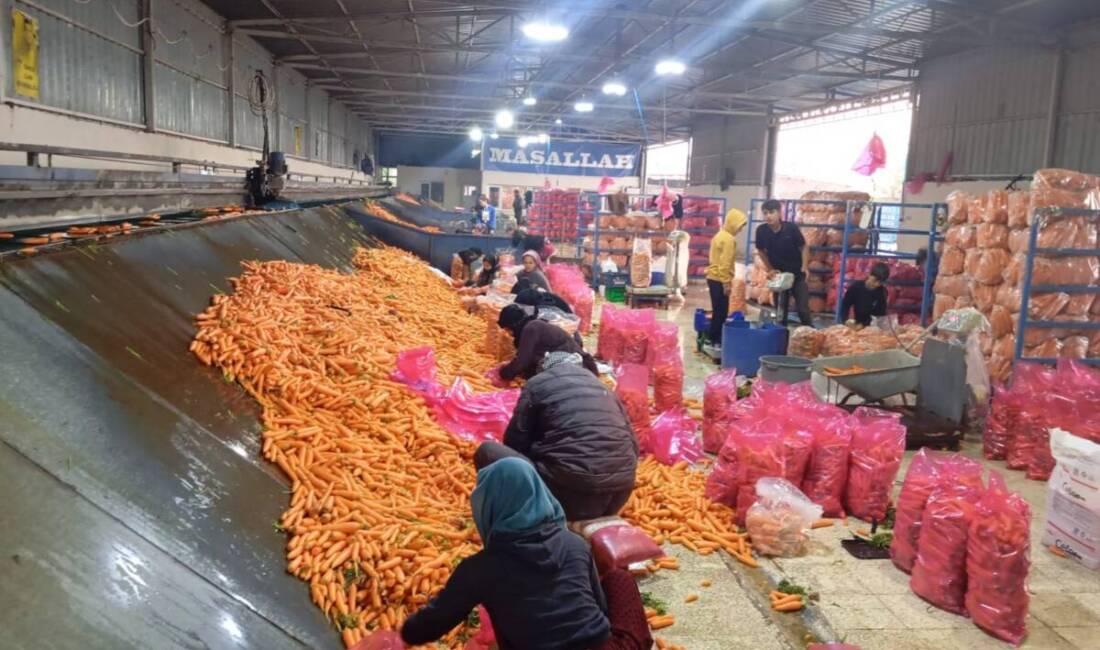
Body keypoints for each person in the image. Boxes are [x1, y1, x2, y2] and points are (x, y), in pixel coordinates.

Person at [401, 458, 652, 650]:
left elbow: (431, 624)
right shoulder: (574, 544)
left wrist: (403, 634)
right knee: (619, 578)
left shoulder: (480, 569)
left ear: (488, 506)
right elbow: (600, 609)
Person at [476, 352, 639, 521]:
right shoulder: (604, 388)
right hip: (619, 496)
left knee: (487, 451)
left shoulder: (537, 384)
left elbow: (515, 442)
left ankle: (507, 523)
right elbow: (634, 446)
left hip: (568, 496)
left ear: (544, 369)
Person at [497, 304, 596, 380]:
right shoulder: (532, 325)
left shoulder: (531, 328)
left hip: (579, 370)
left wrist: (502, 374)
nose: (510, 334)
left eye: (508, 329)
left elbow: (522, 362)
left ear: (514, 324)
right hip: (570, 368)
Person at [755, 199, 813, 326]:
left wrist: (804, 267)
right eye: (765, 213)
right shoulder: (761, 231)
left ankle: (810, 336)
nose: (768, 216)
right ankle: (781, 340)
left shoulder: (791, 229)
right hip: (779, 276)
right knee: (781, 312)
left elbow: (804, 247)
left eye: (771, 212)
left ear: (779, 213)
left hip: (797, 274)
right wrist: (770, 269)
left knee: (803, 310)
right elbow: (760, 250)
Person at [704, 209, 749, 348]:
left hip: (712, 277)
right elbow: (725, 263)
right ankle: (716, 340)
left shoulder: (719, 235)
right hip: (719, 279)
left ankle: (712, 338)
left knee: (717, 310)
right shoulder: (729, 239)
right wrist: (726, 282)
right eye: (740, 225)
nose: (741, 229)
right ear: (733, 223)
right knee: (721, 312)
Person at [840, 262, 890, 326]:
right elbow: (845, 305)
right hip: (856, 323)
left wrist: (864, 325)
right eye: (874, 280)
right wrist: (845, 320)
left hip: (872, 326)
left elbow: (880, 315)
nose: (877, 284)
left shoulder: (882, 292)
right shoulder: (856, 287)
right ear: (869, 275)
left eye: (880, 282)